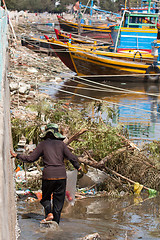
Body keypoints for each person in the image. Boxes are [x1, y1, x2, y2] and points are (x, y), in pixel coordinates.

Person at [11, 123, 82, 224]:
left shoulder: (43, 145)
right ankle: (55, 225)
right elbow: (71, 157)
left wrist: (17, 156)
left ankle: (49, 214)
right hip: (61, 177)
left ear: (46, 134)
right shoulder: (62, 145)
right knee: (58, 203)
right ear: (56, 134)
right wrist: (77, 166)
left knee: (45, 199)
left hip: (48, 176)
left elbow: (31, 159)